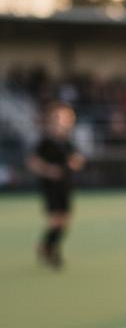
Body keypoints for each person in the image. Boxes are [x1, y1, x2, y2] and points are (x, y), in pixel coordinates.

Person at [28, 101, 84, 268]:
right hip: (50, 184)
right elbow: (33, 162)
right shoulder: (45, 141)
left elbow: (75, 159)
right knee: (56, 220)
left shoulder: (67, 141)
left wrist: (76, 162)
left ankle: (45, 247)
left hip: (65, 183)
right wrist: (48, 170)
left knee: (65, 219)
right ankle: (50, 250)